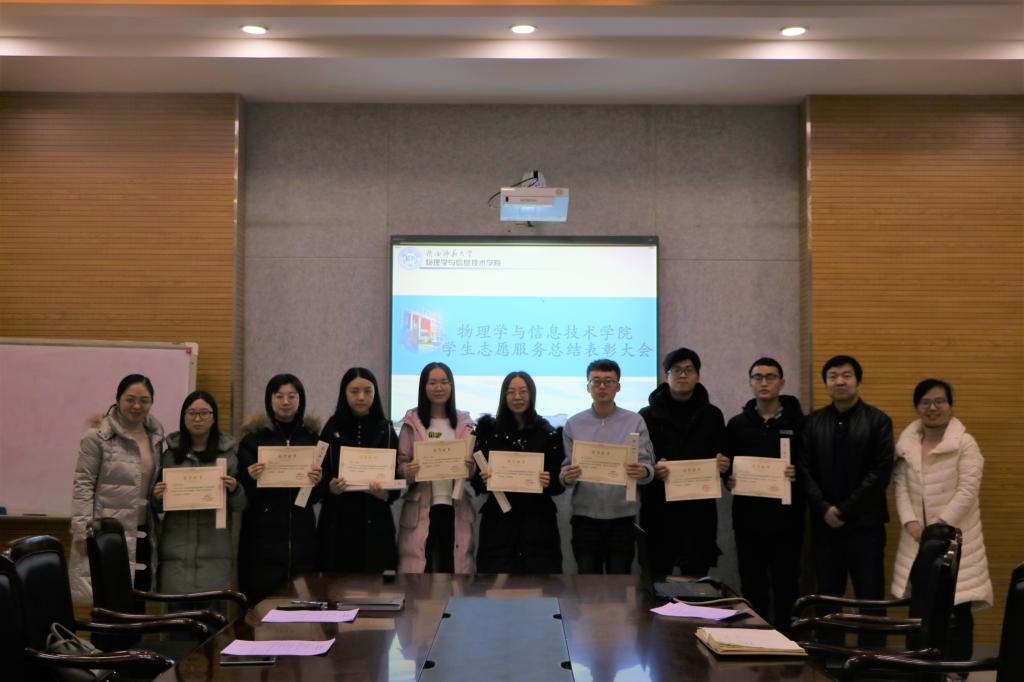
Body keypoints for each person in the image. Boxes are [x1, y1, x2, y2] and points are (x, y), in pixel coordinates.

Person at [890, 379, 993, 660]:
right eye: (925, 402)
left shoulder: (965, 443)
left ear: (950, 405)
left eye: (939, 401)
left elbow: (968, 490)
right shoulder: (906, 444)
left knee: (957, 609)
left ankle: (957, 670)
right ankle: (918, 666)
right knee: (919, 609)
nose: (932, 408)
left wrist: (938, 528)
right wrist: (911, 523)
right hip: (916, 539)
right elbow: (899, 486)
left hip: (955, 538)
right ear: (917, 407)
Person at [799, 355, 893, 645]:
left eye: (846, 375)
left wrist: (844, 510)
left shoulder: (878, 421)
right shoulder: (813, 422)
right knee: (827, 595)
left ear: (857, 380)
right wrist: (824, 508)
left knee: (870, 595)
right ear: (826, 383)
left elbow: (881, 472)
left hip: (866, 525)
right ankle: (829, 656)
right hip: (824, 525)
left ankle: (871, 659)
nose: (840, 381)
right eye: (833, 376)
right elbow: (803, 470)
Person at [724, 357, 804, 632]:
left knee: (787, 585)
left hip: (788, 521)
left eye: (770, 377)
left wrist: (798, 473)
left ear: (782, 382)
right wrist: (728, 478)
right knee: (752, 585)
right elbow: (726, 466)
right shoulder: (737, 424)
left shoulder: (800, 423)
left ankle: (787, 642)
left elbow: (811, 466)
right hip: (748, 520)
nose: (764, 382)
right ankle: (756, 641)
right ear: (750, 383)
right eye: (758, 377)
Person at [70, 374, 163, 603]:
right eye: (130, 399)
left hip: (143, 534)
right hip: (107, 534)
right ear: (118, 399)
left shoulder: (156, 438)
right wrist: (82, 532)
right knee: (108, 606)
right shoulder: (97, 436)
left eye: (144, 400)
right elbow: (83, 485)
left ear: (151, 402)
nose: (137, 406)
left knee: (137, 604)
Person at [639, 348, 727, 577]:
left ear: (698, 375)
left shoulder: (713, 415)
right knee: (655, 580)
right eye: (676, 370)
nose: (683, 375)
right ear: (666, 376)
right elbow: (639, 463)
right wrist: (653, 470)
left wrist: (723, 465)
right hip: (658, 511)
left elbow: (723, 456)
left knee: (697, 584)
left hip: (699, 514)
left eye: (689, 370)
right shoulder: (646, 416)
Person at [152, 391, 246, 606]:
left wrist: (234, 489)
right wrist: (157, 496)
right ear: (183, 417)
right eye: (192, 413)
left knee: (211, 621)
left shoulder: (228, 456)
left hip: (215, 551)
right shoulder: (169, 456)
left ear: (213, 417)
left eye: (204, 413)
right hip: (175, 554)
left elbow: (240, 505)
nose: (197, 418)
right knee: (176, 621)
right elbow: (157, 506)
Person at [561, 359, 654, 575]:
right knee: (587, 582)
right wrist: (567, 476)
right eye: (596, 381)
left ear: (618, 386)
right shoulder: (574, 423)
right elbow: (565, 470)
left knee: (619, 581)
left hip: (622, 518)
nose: (602, 386)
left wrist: (643, 472)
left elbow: (647, 466)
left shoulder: (635, 421)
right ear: (588, 387)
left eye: (608, 381)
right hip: (585, 518)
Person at [237, 374, 324, 603]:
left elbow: (318, 495)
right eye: (279, 396)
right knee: (263, 602)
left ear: (300, 400)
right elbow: (240, 491)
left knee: (301, 601)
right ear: (270, 399)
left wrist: (317, 481)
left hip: (302, 532)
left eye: (291, 396)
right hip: (262, 534)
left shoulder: (312, 439)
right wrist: (249, 476)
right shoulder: (253, 439)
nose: (285, 402)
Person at [473, 371, 565, 574]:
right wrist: (483, 479)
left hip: (538, 525)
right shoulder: (489, 433)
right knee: (495, 585)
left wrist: (549, 479)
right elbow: (476, 482)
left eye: (523, 391)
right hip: (499, 524)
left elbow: (559, 481)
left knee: (541, 585)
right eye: (511, 392)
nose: (517, 397)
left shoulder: (548, 433)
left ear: (532, 394)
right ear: (503, 396)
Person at [316, 367, 400, 573]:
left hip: (375, 519)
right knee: (337, 585)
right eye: (354, 391)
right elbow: (317, 469)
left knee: (376, 584)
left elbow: (397, 475)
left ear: (375, 393)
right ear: (344, 393)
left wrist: (386, 494)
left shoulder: (387, 429)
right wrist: (329, 486)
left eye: (367, 391)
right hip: (338, 520)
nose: (361, 397)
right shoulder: (330, 428)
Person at [396, 362, 476, 573]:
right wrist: (408, 470)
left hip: (455, 507)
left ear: (451, 386)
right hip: (422, 508)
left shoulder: (464, 423)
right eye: (432, 382)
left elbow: (472, 467)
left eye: (444, 382)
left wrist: (470, 468)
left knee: (453, 570)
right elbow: (400, 464)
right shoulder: (411, 423)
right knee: (422, 572)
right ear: (423, 386)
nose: (439, 387)